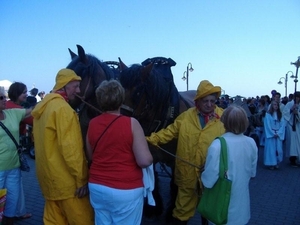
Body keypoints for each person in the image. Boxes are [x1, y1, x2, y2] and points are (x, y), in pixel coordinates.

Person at [146, 80, 225, 224]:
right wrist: (149, 139)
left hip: (211, 176)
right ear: (198, 102)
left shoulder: (224, 118)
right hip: (187, 175)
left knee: (209, 211)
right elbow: (169, 132)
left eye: (212, 101)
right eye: (205, 101)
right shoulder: (187, 116)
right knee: (181, 212)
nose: (209, 104)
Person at [31, 69, 94, 225]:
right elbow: (71, 150)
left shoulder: (42, 109)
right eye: (76, 86)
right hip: (69, 186)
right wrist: (81, 179)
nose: (78, 91)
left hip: (48, 183)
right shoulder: (63, 110)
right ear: (65, 86)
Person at [86, 79, 153, 225]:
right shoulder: (131, 123)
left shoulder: (92, 124)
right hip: (125, 189)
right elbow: (144, 160)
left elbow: (91, 156)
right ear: (121, 99)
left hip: (97, 187)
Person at [201, 105, 258, 225]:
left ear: (224, 122)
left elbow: (209, 180)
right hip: (242, 209)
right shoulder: (251, 142)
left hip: (221, 209)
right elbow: (252, 173)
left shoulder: (217, 145)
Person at [0, 88, 32, 225]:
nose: (4, 100)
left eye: (4, 97)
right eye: (1, 98)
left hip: (14, 167)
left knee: (13, 199)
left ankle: (9, 221)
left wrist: (52, 96)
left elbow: (32, 110)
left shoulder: (12, 113)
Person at [264, 100, 286, 169]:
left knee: (278, 149)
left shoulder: (280, 115)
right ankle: (271, 163)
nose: (275, 106)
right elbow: (267, 125)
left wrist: (279, 133)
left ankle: (276, 162)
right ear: (271, 106)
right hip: (271, 135)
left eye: (276, 105)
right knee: (271, 150)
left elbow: (283, 125)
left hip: (278, 134)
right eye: (274, 105)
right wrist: (272, 133)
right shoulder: (268, 115)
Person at [283, 91, 300, 167]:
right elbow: (284, 113)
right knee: (292, 143)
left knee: (298, 142)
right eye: (296, 97)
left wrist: (297, 113)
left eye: (299, 97)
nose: (297, 99)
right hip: (291, 126)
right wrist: (291, 110)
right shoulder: (290, 104)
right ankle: (292, 159)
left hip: (298, 125)